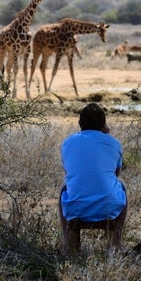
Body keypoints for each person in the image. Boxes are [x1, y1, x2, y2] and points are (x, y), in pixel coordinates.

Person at [58, 102, 128, 254]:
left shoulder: (67, 143)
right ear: (104, 124)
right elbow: (115, 175)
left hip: (75, 208)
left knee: (64, 187)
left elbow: (69, 173)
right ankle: (117, 241)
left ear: (79, 123)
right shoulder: (114, 143)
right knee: (121, 184)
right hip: (108, 208)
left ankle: (67, 244)